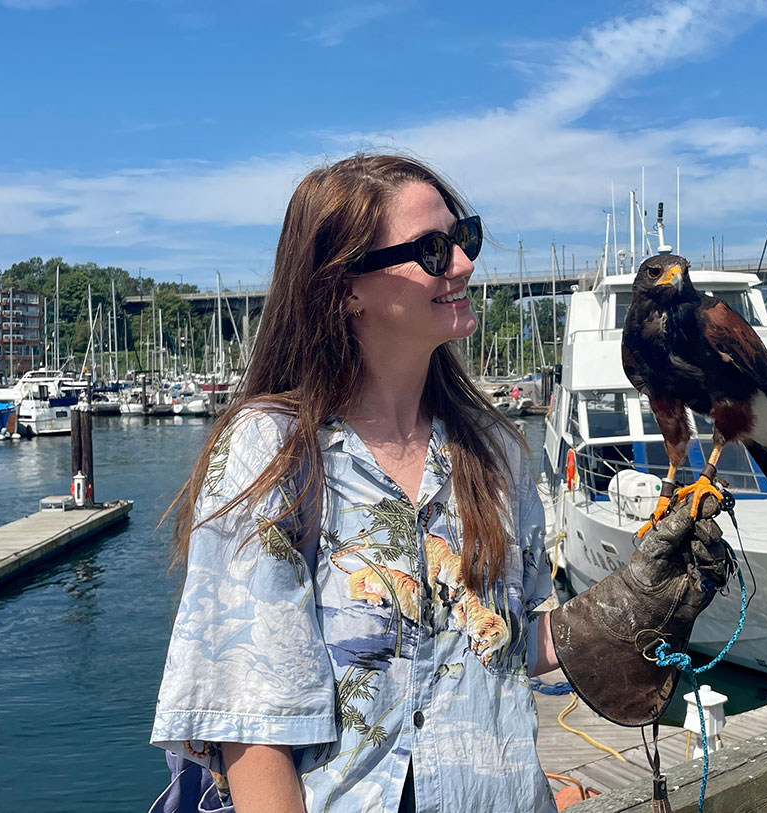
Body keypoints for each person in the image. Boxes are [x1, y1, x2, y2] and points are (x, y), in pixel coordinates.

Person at [151, 153, 729, 813]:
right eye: (432, 249)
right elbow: (249, 725)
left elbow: (503, 642)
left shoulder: (496, 452)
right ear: (346, 288)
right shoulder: (272, 450)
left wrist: (631, 602)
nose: (462, 262)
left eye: (465, 237)